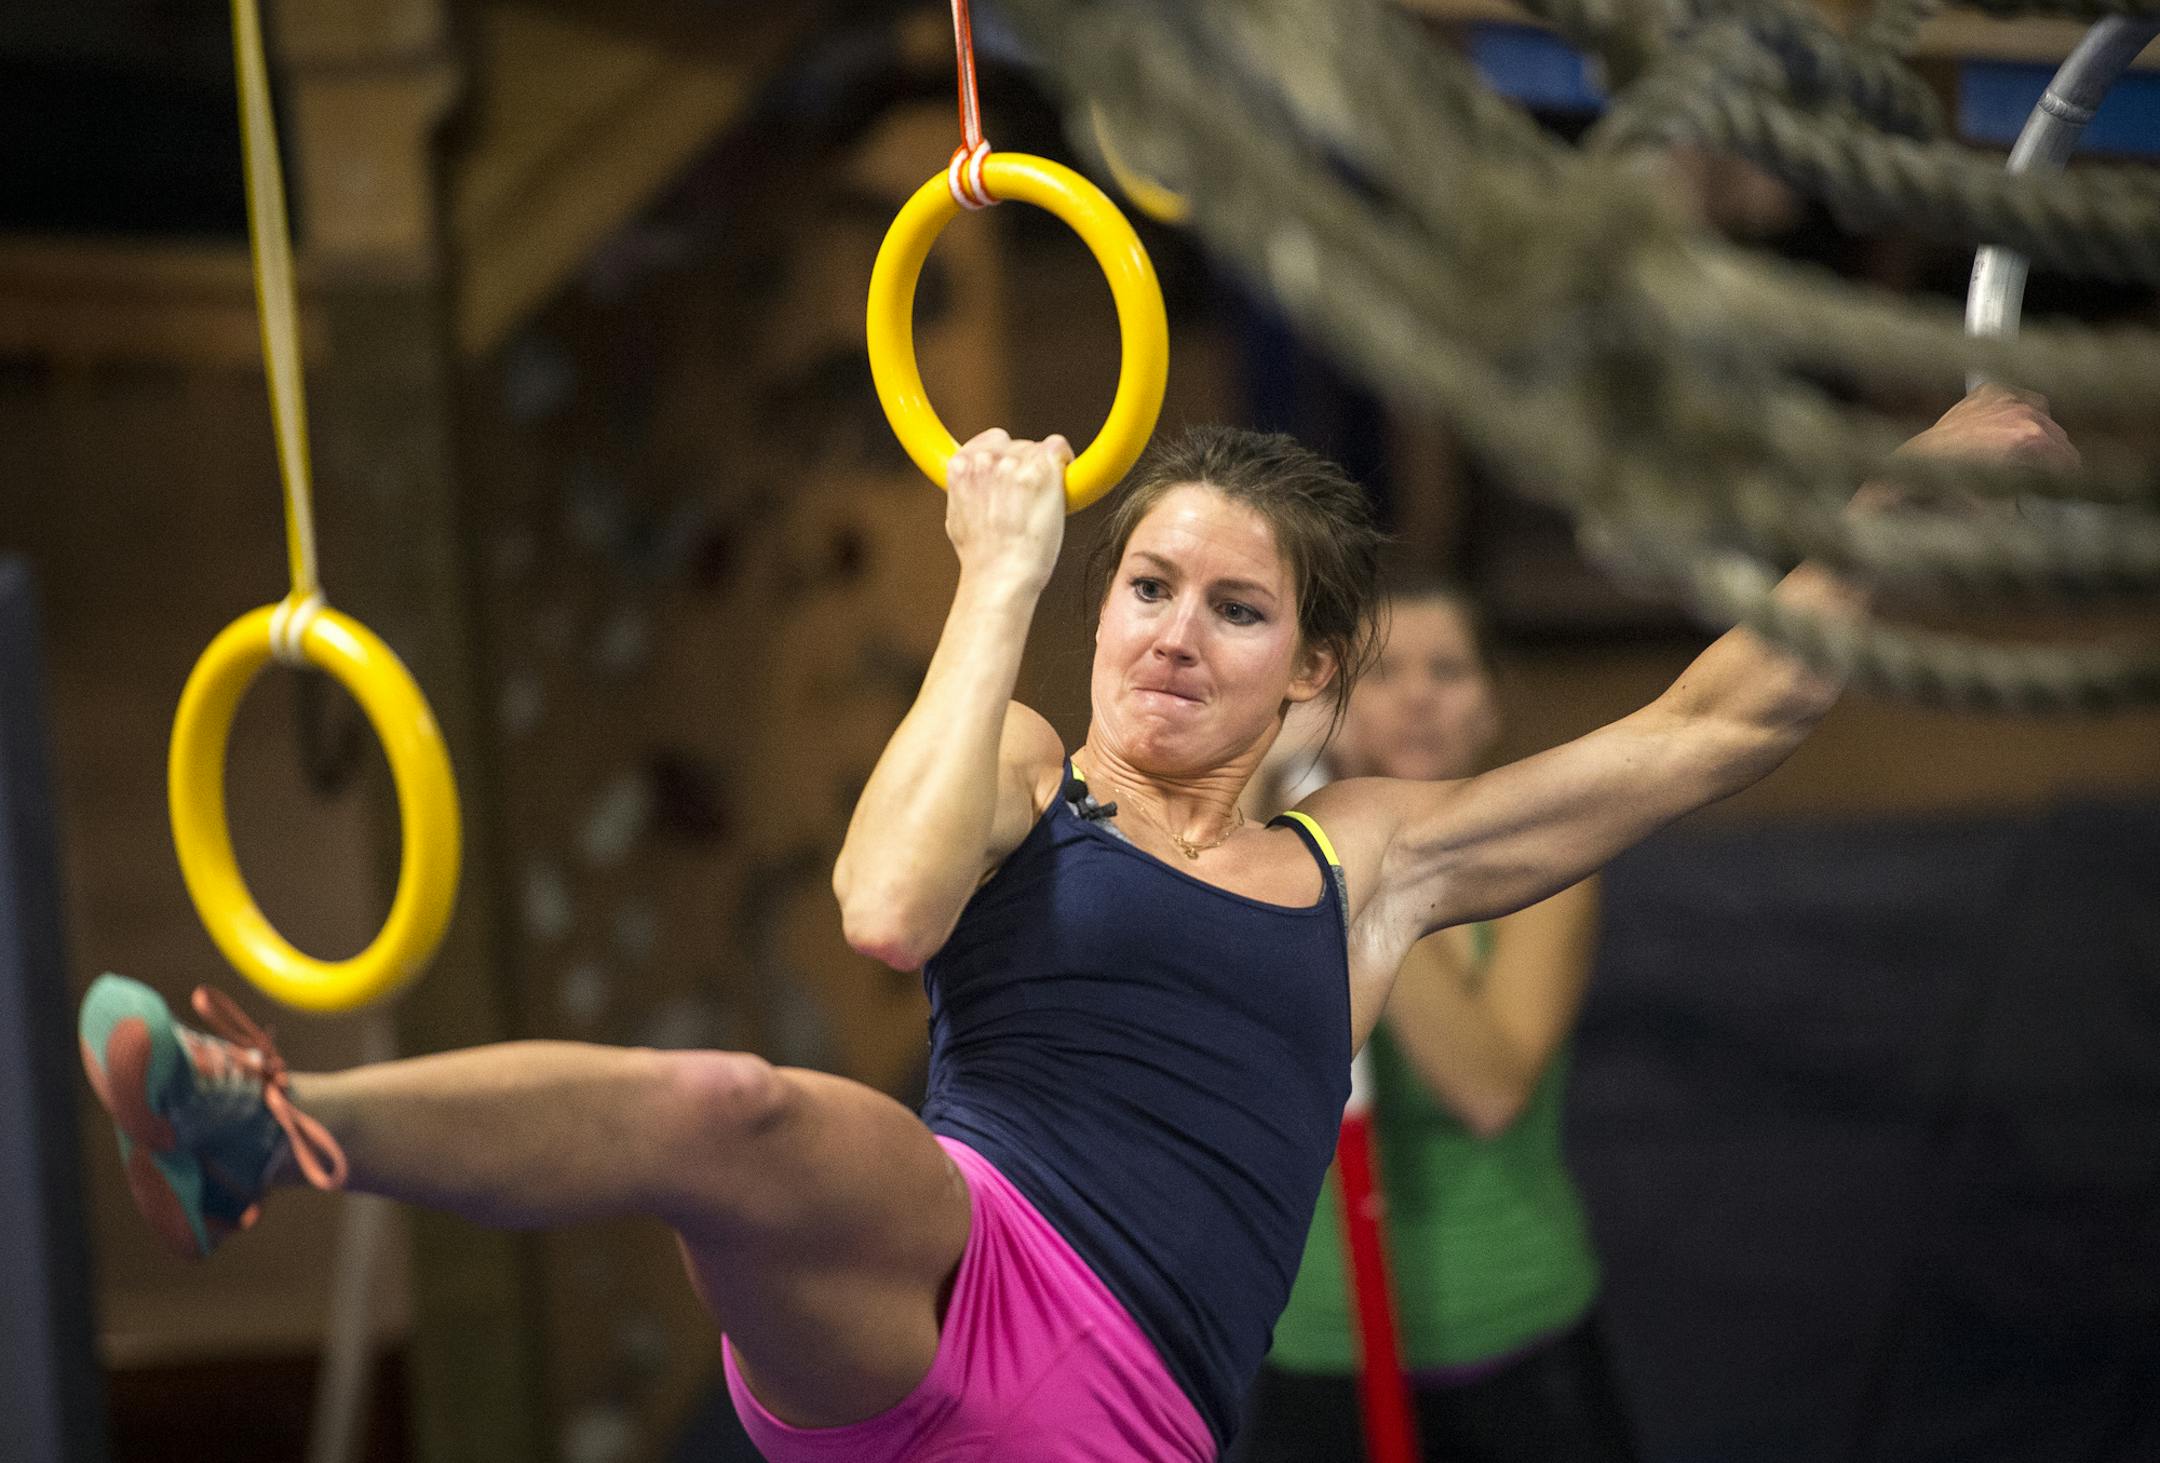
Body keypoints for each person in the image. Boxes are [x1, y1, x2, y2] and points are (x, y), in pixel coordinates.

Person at [78, 388, 2071, 1462]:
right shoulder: (1020, 756)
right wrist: (998, 569)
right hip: (935, 1268)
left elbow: (1722, 716)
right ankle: (264, 1124)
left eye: (1233, 606)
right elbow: (882, 905)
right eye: (1145, 585)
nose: (1170, 634)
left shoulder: (1361, 865)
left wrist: (1902, 496)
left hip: (1117, 1400)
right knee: (726, 1107)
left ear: (1314, 674)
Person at [1230, 581, 1633, 1463]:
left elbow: (1489, 1089)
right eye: (1383, 673)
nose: (1415, 695)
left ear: (1490, 705)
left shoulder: (1544, 865)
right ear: (1334, 701)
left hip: (1509, 1336)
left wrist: (1364, 864)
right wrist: (1262, 792)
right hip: (1312, 1343)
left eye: (1447, 671)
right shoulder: (1270, 856)